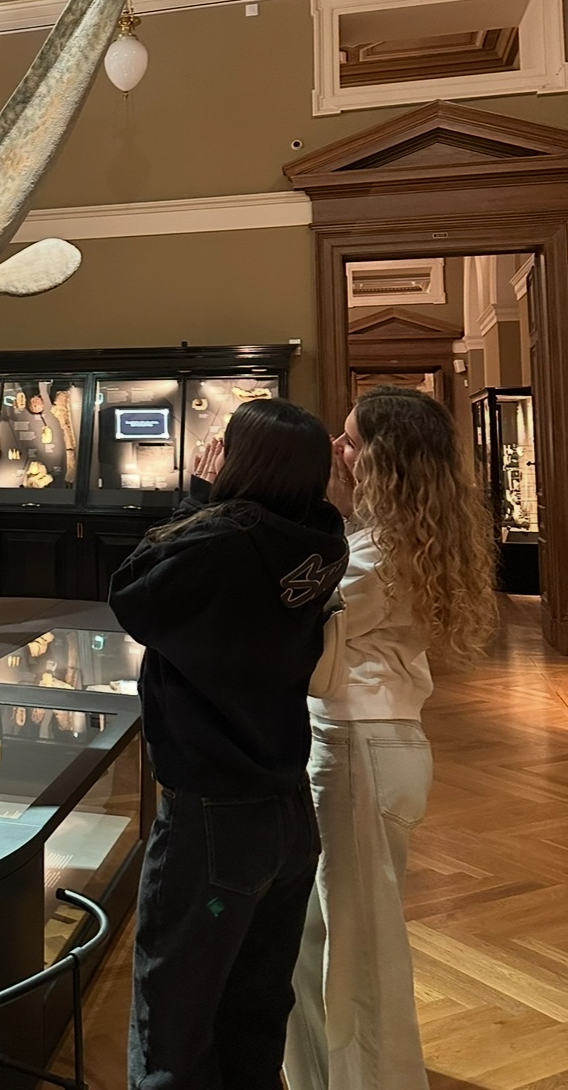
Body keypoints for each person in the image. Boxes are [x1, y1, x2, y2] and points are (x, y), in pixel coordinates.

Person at [110, 400, 348, 1090]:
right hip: (285, 806)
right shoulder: (322, 538)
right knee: (256, 1006)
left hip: (213, 816)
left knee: (174, 1019)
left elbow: (132, 592)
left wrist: (198, 497)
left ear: (244, 461)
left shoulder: (220, 542)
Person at [283, 387, 497, 1090]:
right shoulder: (389, 538)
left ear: (383, 460)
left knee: (357, 953)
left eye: (348, 440)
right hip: (368, 745)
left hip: (360, 749)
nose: (335, 450)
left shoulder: (376, 555)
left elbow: (297, 627)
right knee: (322, 938)